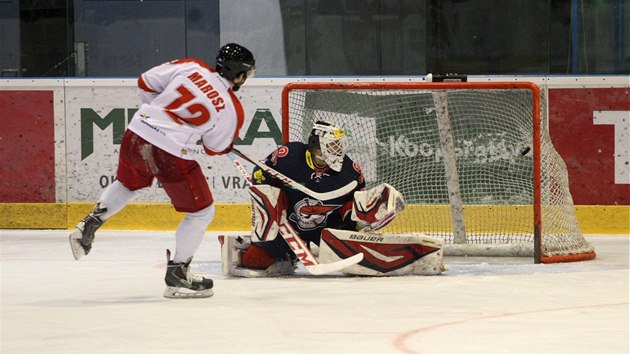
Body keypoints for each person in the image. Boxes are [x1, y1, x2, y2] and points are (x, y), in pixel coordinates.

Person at [69, 43, 256, 298]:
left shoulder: (192, 66)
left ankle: (89, 223)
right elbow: (215, 147)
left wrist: (160, 117)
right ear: (240, 75)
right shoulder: (232, 108)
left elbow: (145, 82)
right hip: (170, 152)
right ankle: (178, 272)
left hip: (137, 133)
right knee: (201, 213)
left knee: (128, 185)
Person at [221, 120, 417, 277]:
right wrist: (268, 198)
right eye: (332, 146)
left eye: (339, 146)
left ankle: (354, 243)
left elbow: (352, 206)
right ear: (316, 146)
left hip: (328, 230)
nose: (337, 151)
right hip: (288, 226)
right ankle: (279, 253)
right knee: (255, 260)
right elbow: (260, 174)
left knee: (359, 250)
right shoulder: (289, 156)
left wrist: (365, 218)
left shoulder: (350, 172)